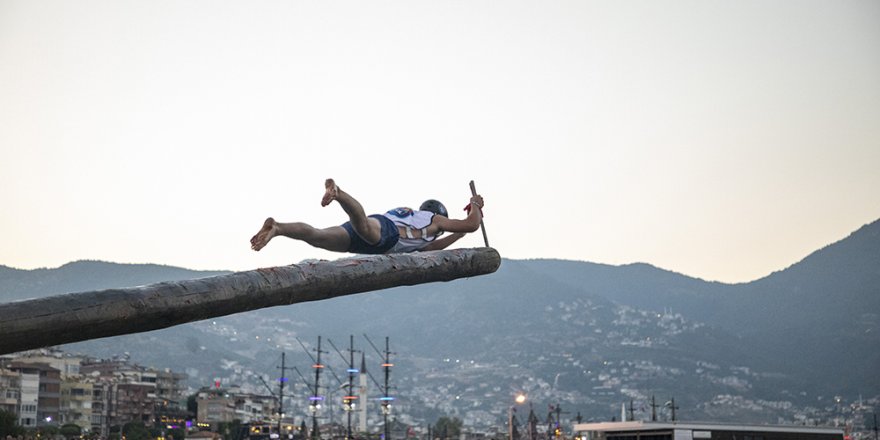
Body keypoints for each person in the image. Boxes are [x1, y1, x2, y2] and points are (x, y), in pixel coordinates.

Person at [250, 178, 484, 254]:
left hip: (379, 231)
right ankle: (338, 194)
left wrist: (459, 236)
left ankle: (278, 228)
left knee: (317, 236)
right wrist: (476, 205)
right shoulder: (434, 220)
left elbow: (433, 248)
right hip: (388, 234)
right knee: (361, 224)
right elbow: (472, 224)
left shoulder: (415, 220)